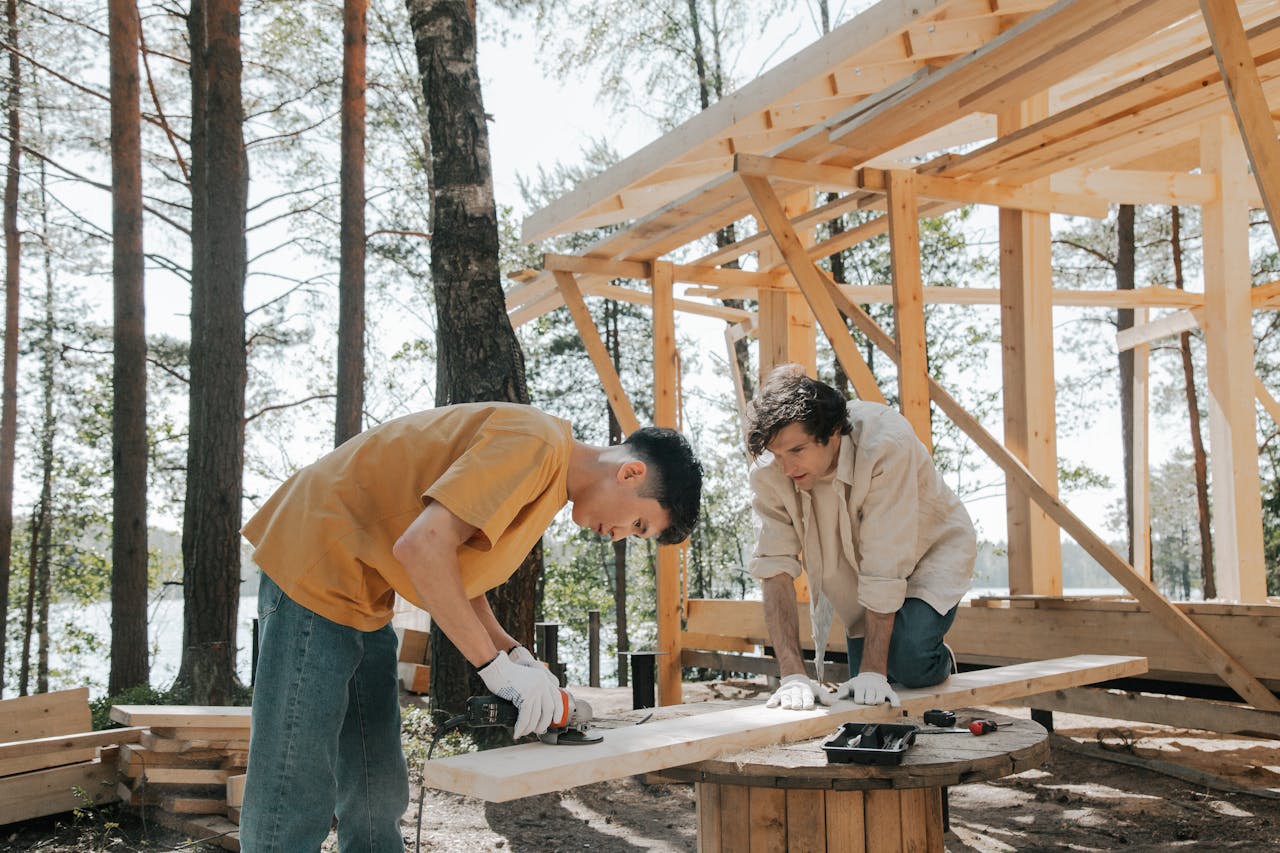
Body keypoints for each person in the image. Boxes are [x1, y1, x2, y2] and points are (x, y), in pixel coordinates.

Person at [237, 402, 703, 852]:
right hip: (315, 567)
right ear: (630, 473)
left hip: (364, 593)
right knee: (293, 786)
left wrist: (517, 657)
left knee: (376, 786)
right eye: (638, 524)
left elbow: (454, 573)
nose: (620, 535)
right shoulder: (534, 446)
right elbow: (422, 546)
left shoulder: (547, 477)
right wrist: (495, 670)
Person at [745, 366, 975, 712]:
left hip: (930, 550)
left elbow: (885, 561)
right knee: (863, 706)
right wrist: (792, 675)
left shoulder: (886, 444)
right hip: (856, 567)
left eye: (797, 450)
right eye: (778, 455)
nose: (787, 467)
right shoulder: (770, 471)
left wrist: (873, 671)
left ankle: (938, 661)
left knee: (908, 657)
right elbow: (774, 569)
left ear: (833, 431)